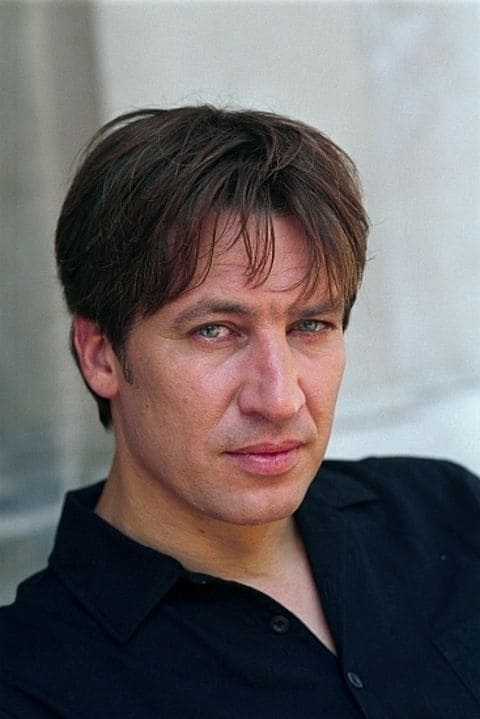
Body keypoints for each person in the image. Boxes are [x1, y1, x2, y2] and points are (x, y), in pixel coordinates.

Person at [1, 106, 479, 719]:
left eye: (310, 325)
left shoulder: (444, 512)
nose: (280, 399)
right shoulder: (28, 684)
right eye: (214, 331)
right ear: (101, 356)